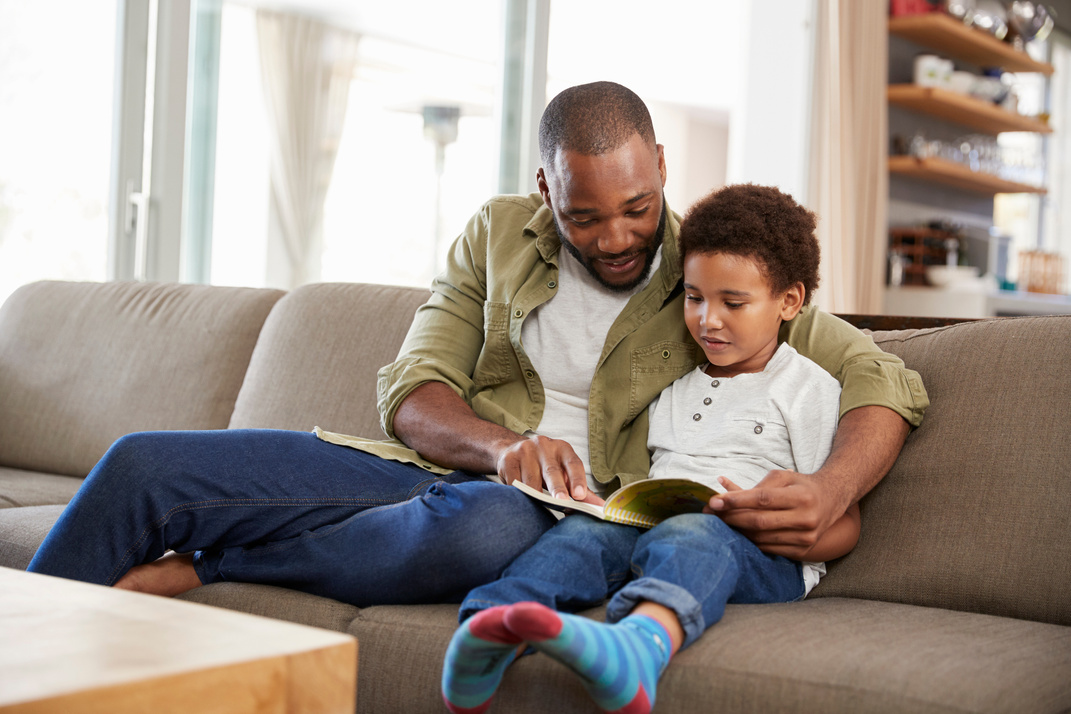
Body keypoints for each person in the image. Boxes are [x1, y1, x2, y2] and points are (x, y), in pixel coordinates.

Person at [27, 82, 926, 611]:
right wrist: (502, 448)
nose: (615, 238)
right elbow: (415, 387)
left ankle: (214, 562)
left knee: (490, 527)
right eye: (583, 216)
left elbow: (879, 373)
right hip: (433, 470)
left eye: (637, 209)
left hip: (563, 512)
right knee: (142, 464)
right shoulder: (495, 236)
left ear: (659, 165)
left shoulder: (710, 277)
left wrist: (831, 487)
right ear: (545, 187)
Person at [440, 183, 856, 714]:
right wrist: (605, 503)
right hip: (652, 529)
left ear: (789, 301)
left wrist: (786, 527)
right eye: (694, 297)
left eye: (733, 303)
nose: (708, 319)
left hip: (759, 554)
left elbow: (846, 525)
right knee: (585, 532)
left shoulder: (808, 388)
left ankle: (641, 643)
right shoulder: (673, 388)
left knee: (696, 530)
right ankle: (491, 627)